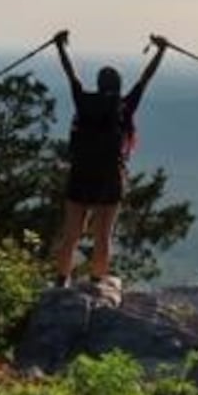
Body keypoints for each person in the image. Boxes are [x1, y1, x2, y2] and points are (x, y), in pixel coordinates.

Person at [52, 29, 168, 285]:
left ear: (99, 84)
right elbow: (145, 79)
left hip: (80, 175)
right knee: (103, 236)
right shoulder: (124, 107)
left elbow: (70, 74)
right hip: (109, 178)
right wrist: (161, 50)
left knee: (71, 234)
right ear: (117, 86)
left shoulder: (82, 101)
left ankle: (61, 280)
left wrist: (59, 46)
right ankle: (96, 280)